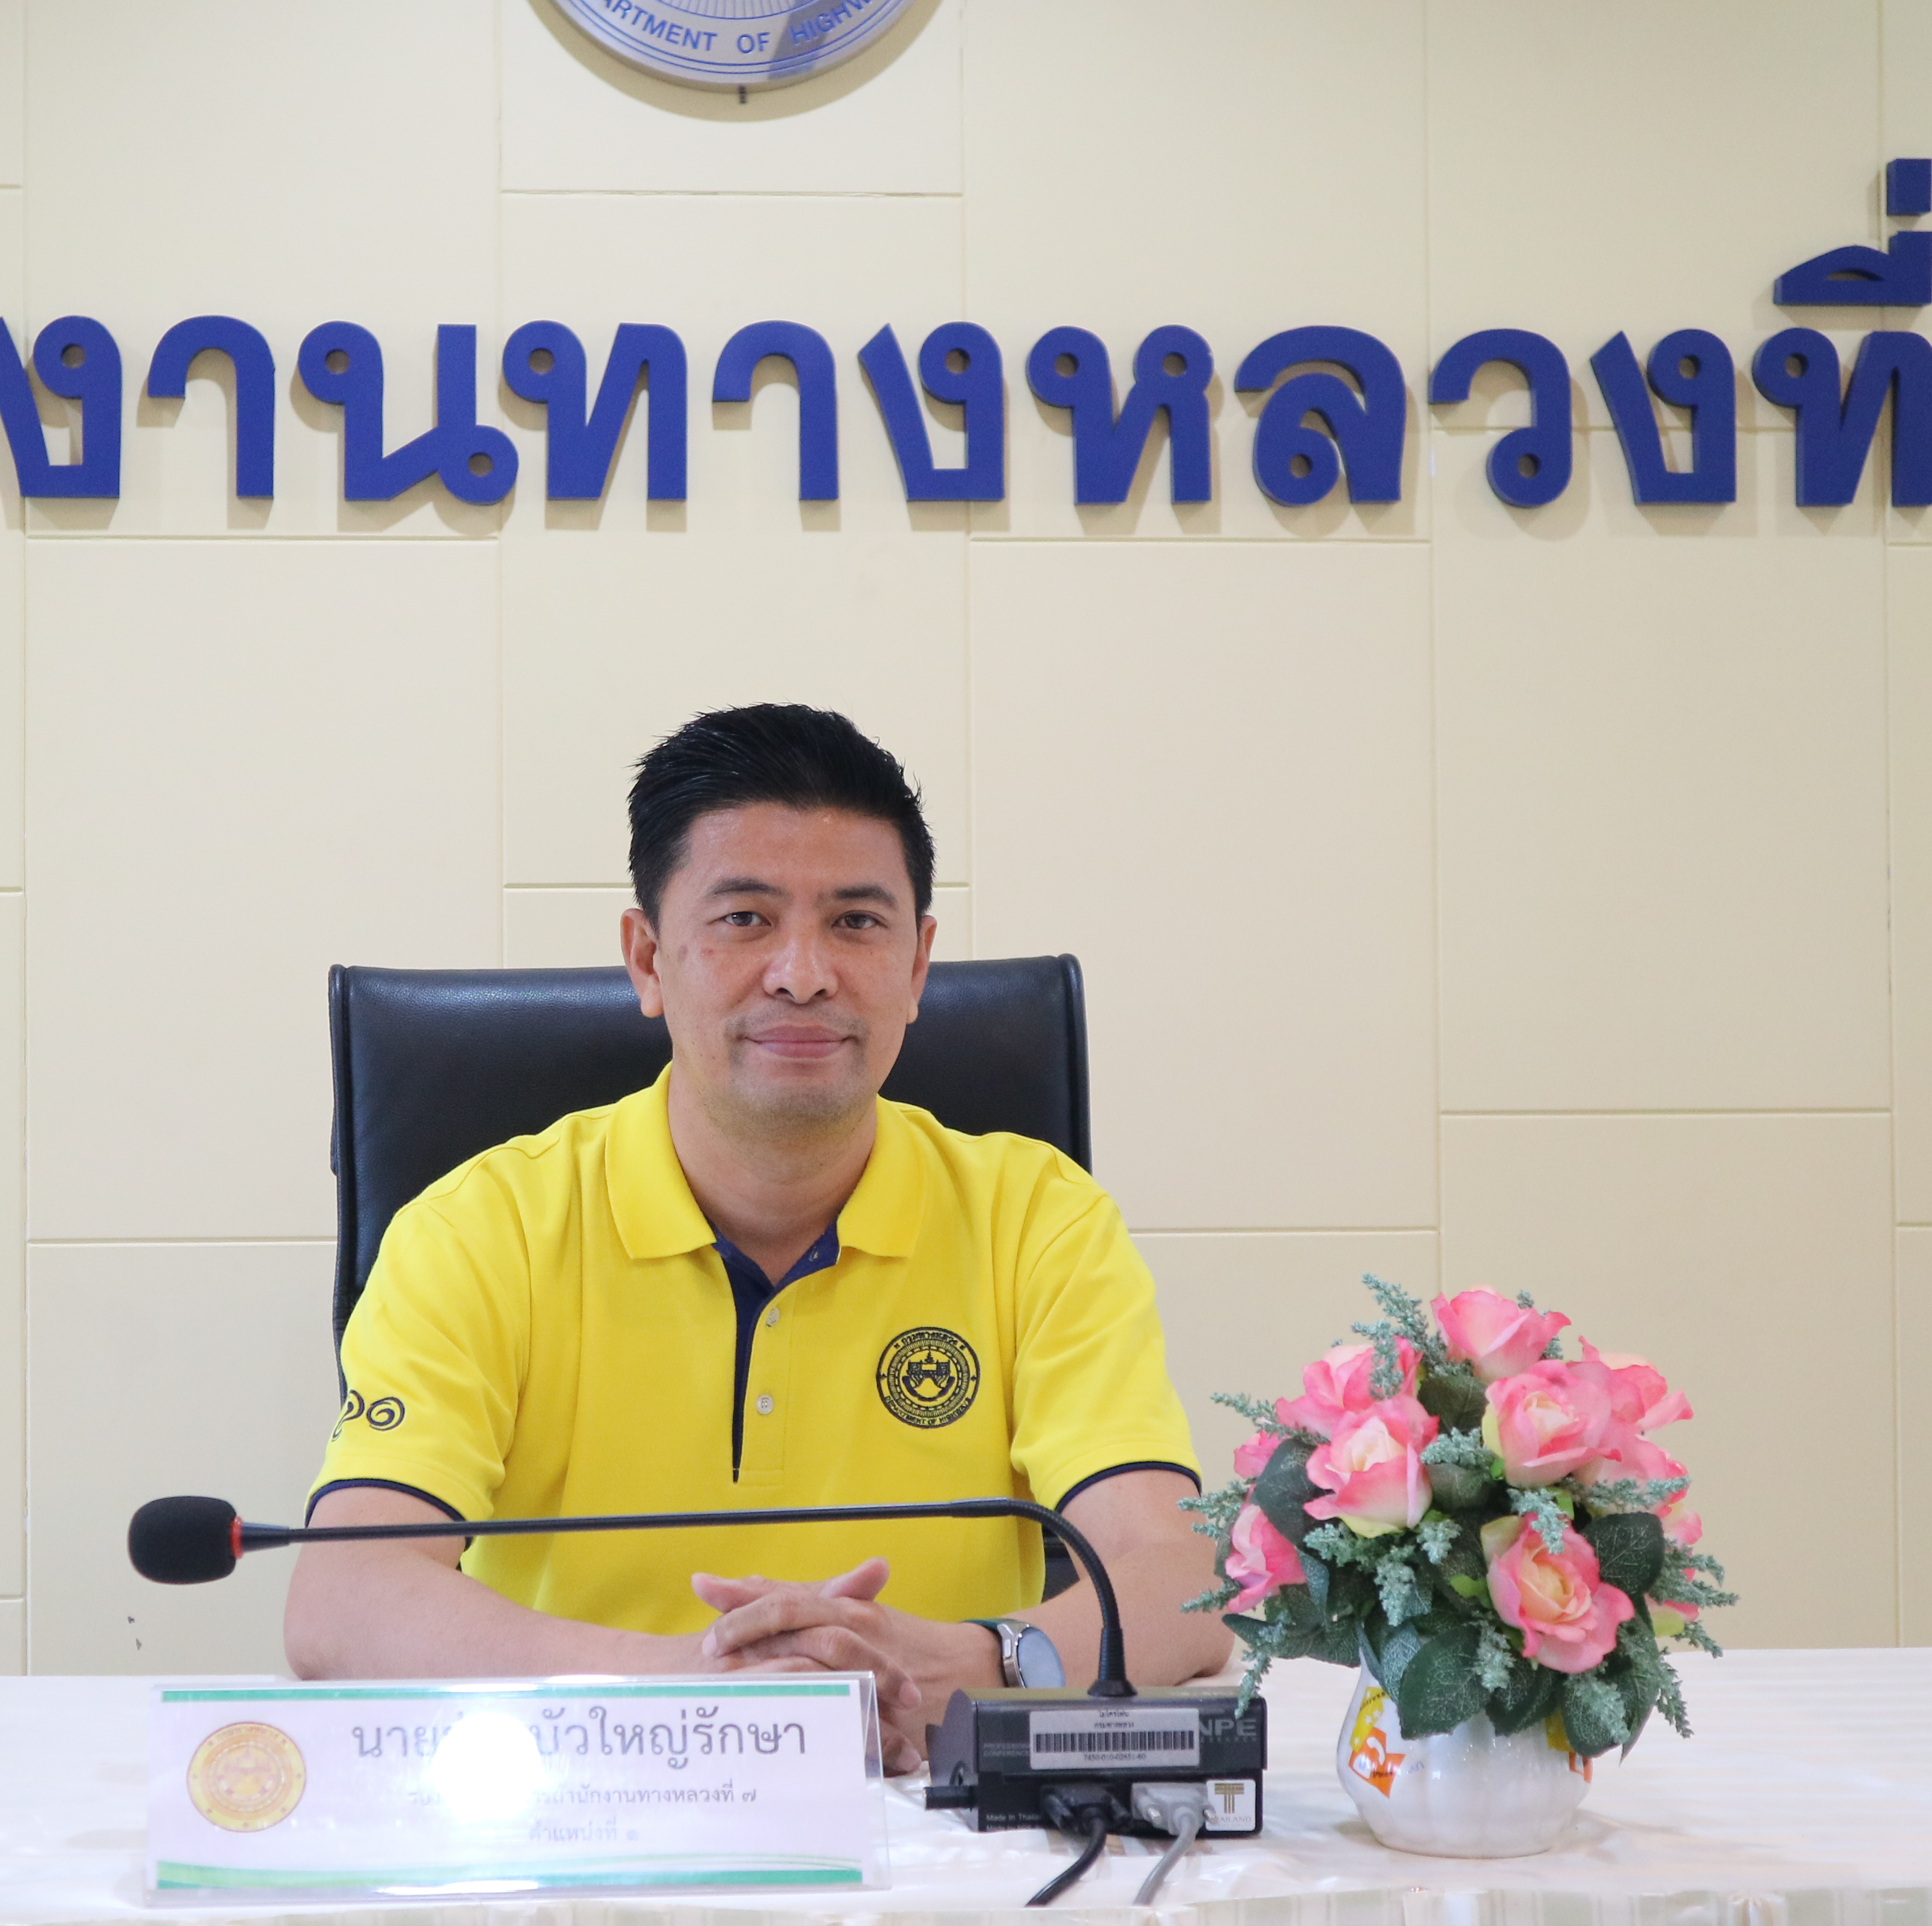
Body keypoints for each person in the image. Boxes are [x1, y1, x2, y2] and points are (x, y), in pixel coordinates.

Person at [285, 704, 1227, 1770]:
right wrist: (697, 1690)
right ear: (648, 959)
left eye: (856, 923)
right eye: (745, 919)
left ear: (919, 965)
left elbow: (1183, 1573)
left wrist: (980, 1664)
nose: (803, 973)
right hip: (590, 1789)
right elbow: (344, 1596)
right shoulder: (480, 1230)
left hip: (940, 1807)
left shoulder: (1036, 1219)